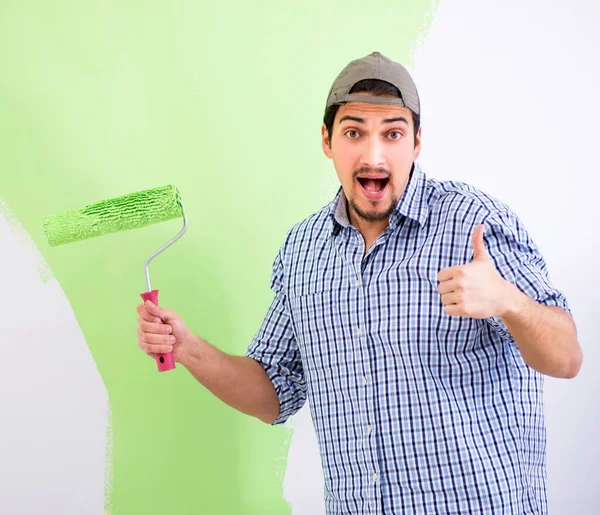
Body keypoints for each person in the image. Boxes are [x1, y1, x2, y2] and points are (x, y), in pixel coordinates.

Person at [136, 51, 582, 514]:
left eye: (392, 133)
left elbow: (567, 356)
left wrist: (508, 300)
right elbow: (274, 394)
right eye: (354, 133)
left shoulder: (474, 224)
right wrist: (187, 346)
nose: (373, 155)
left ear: (417, 142)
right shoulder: (304, 250)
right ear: (327, 141)